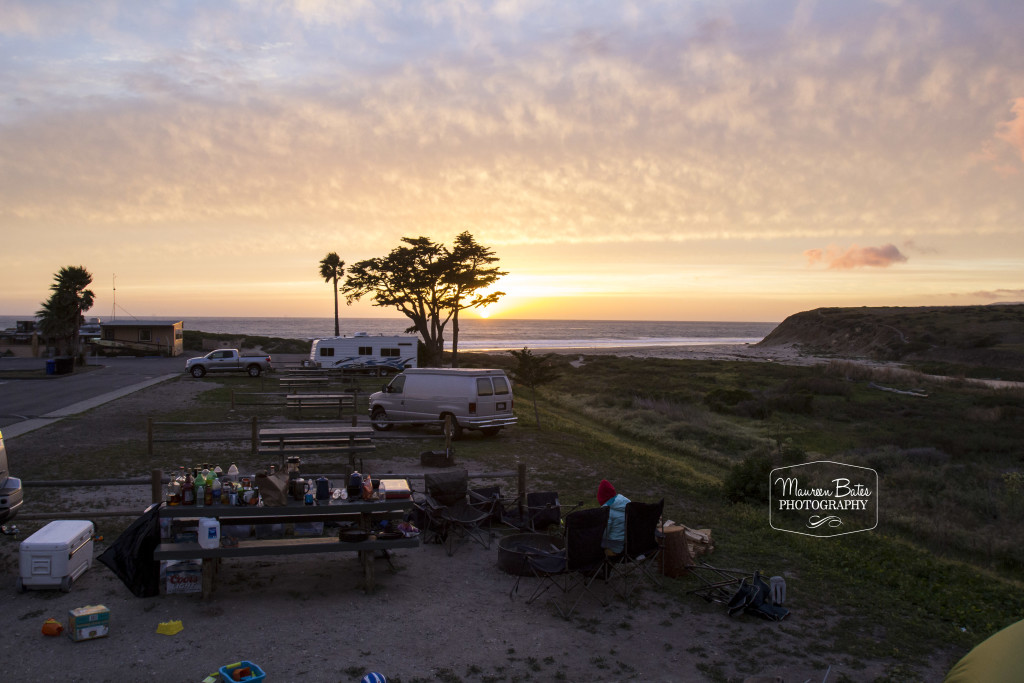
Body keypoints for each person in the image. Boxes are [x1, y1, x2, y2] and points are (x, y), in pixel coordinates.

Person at [598, 479, 630, 556]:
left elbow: (604, 533)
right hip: (631, 544)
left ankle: (602, 567)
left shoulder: (608, 511)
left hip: (616, 547)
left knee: (593, 544)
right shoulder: (628, 504)